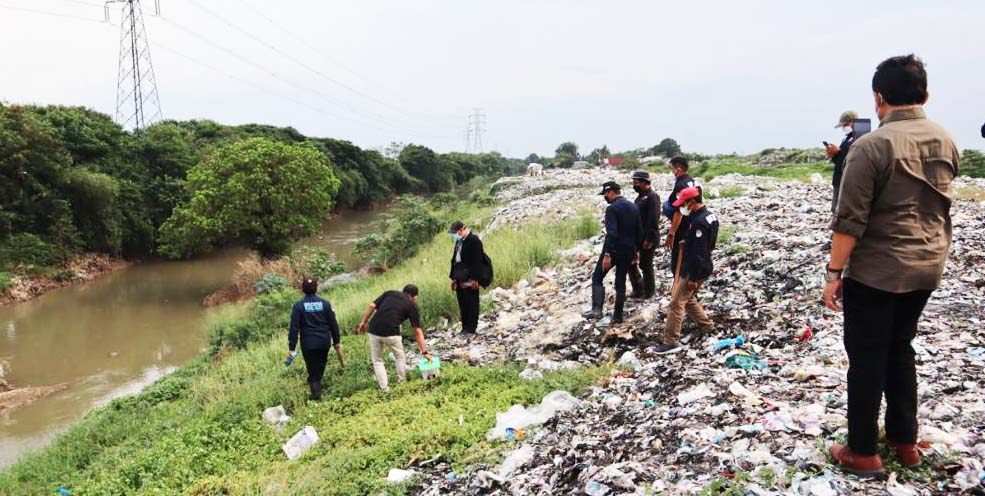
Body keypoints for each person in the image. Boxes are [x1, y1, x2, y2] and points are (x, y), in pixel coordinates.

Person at [824, 54, 959, 478]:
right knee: (900, 349)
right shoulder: (945, 139)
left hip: (878, 271)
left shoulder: (871, 147)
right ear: (925, 93)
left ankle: (862, 451)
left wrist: (833, 273)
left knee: (866, 358)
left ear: (879, 98)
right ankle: (905, 441)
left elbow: (850, 220)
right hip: (926, 267)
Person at [656, 186, 718, 354]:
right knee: (688, 299)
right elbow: (708, 244)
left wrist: (693, 278)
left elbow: (699, 252)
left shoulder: (698, 222)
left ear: (692, 202)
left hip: (695, 268)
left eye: (684, 204)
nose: (682, 208)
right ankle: (708, 326)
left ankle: (670, 342)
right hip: (704, 264)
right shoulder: (710, 216)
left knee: (676, 303)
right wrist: (687, 242)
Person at [582, 181, 642, 324]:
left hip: (614, 250)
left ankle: (597, 310)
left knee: (597, 277)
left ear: (610, 192)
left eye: (605, 194)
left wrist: (607, 254)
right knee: (620, 282)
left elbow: (612, 233)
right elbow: (639, 232)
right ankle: (618, 315)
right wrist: (635, 251)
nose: (605, 197)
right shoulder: (633, 206)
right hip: (628, 250)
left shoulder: (612, 209)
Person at [355, 284, 432, 393]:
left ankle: (385, 389)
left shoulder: (389, 293)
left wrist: (363, 322)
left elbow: (372, 306)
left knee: (377, 360)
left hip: (373, 330)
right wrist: (424, 352)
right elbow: (417, 331)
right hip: (391, 333)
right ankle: (402, 382)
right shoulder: (412, 305)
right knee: (399, 356)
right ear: (414, 297)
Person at [287, 276, 342, 400]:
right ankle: (317, 390)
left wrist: (291, 347)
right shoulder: (325, 304)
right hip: (324, 342)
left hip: (308, 344)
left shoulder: (298, 306)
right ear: (316, 288)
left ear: (303, 289)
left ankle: (317, 397)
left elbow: (294, 328)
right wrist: (336, 341)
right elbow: (333, 324)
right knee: (319, 368)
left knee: (313, 372)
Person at [627, 171, 661, 299]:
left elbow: (653, 219)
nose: (634, 185)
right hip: (638, 237)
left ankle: (649, 292)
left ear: (644, 182)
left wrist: (649, 239)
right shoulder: (640, 197)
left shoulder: (652, 197)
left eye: (636, 182)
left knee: (646, 265)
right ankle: (639, 289)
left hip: (648, 238)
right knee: (632, 263)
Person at [664, 156, 698, 278]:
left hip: (682, 227)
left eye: (672, 169)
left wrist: (672, 233)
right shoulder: (692, 181)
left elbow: (680, 211)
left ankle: (679, 294)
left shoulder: (681, 184)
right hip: (691, 223)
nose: (672, 172)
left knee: (677, 264)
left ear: (678, 169)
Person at [448, 220, 484, 334]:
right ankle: (465, 327)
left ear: (462, 229)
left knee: (471, 302)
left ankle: (471, 328)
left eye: (456, 233)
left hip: (470, 277)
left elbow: (478, 261)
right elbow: (454, 260)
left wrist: (475, 278)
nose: (455, 236)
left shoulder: (474, 240)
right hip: (459, 276)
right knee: (462, 303)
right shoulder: (459, 242)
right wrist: (453, 278)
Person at [826, 110, 859, 213]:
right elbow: (841, 160)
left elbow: (854, 158)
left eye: (845, 125)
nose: (844, 128)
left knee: (842, 210)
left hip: (848, 181)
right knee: (835, 208)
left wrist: (839, 152)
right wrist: (833, 154)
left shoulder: (859, 138)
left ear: (852, 122)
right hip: (839, 179)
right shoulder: (847, 138)